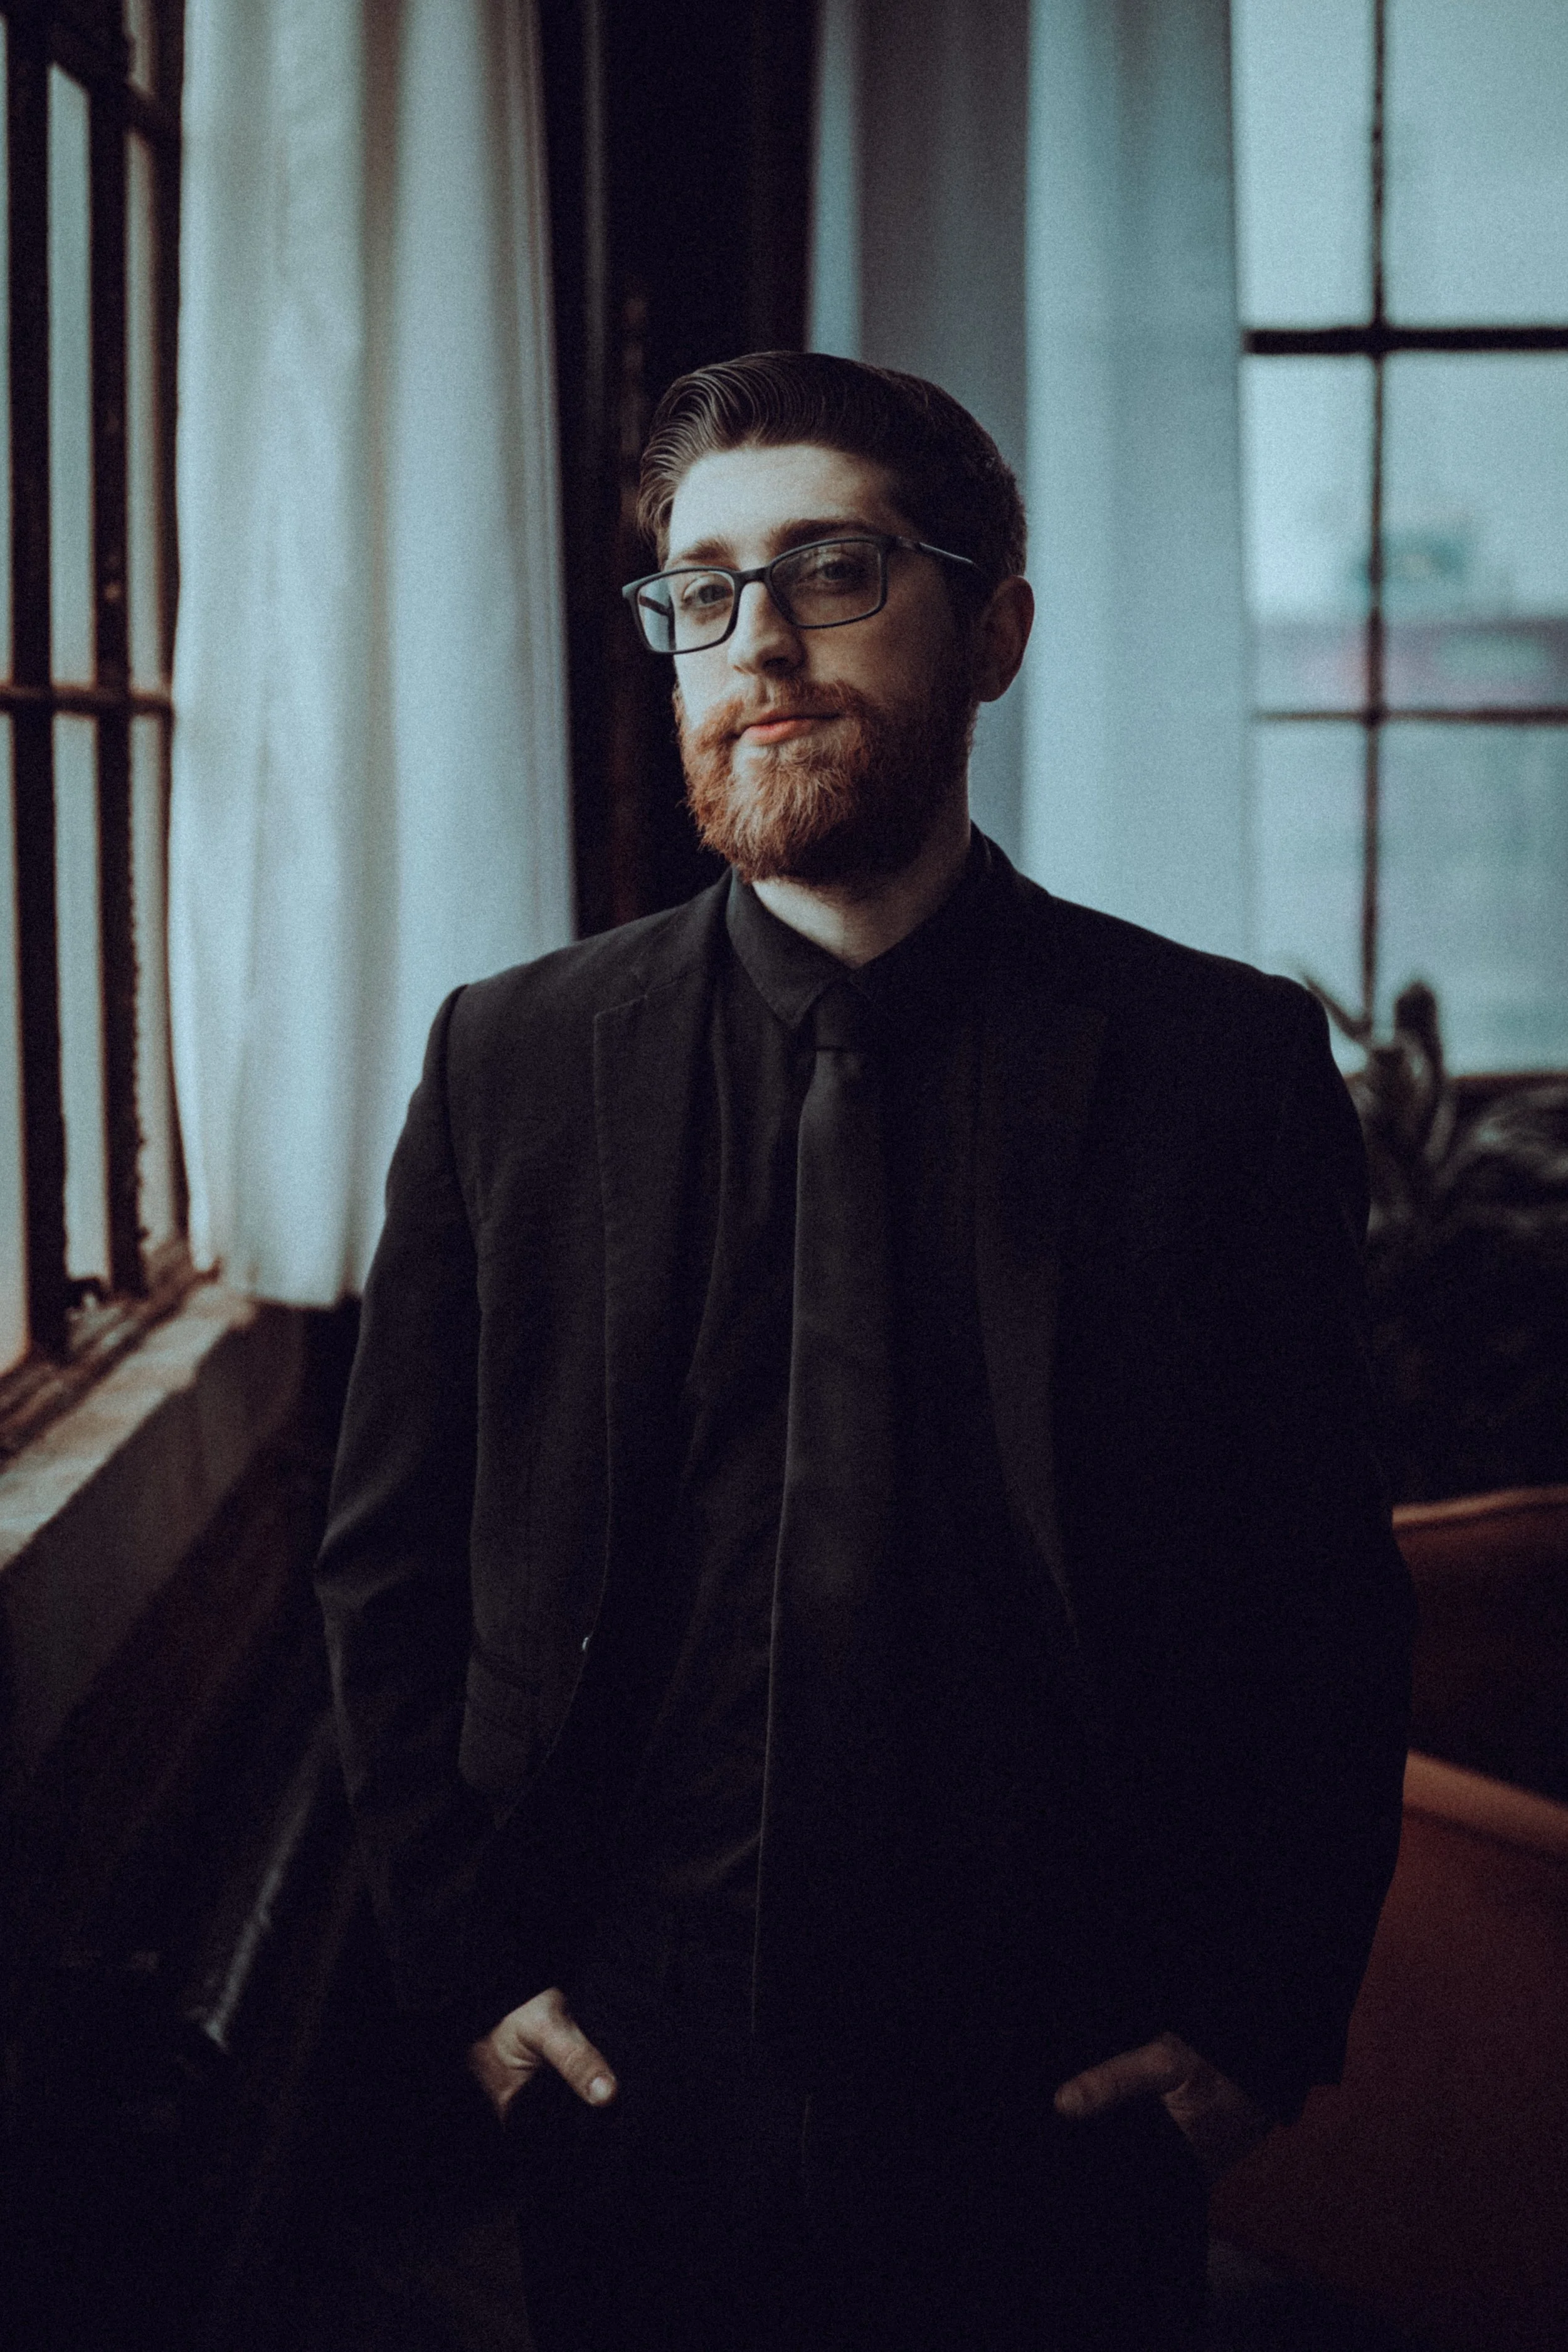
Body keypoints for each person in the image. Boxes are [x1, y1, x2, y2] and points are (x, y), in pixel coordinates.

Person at [315, 350, 1413, 2351]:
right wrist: (466, 1969)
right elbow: (386, 1564)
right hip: (623, 2070)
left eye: (832, 569)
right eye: (705, 590)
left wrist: (1266, 2013)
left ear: (991, 627)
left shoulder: (1218, 1070)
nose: (761, 644)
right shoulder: (511, 1061)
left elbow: (1320, 1589)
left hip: (1065, 2077)